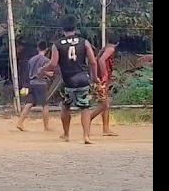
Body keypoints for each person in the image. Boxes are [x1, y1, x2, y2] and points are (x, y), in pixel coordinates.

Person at [39, 15, 99, 144]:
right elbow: (93, 62)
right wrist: (95, 77)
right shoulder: (84, 42)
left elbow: (53, 64)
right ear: (75, 28)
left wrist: (42, 70)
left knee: (66, 107)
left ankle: (66, 134)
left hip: (68, 81)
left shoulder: (57, 44)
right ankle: (86, 136)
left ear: (62, 29)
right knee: (85, 108)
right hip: (83, 78)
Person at [16, 41, 53, 132]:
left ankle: (20, 123)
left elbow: (29, 71)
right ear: (46, 49)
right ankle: (46, 127)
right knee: (45, 105)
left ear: (37, 48)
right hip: (41, 83)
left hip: (31, 83)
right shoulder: (46, 60)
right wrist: (49, 74)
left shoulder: (31, 60)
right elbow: (46, 72)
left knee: (29, 103)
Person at [91, 34, 119, 136]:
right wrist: (105, 74)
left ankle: (106, 129)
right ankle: (89, 118)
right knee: (105, 104)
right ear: (117, 43)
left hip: (100, 79)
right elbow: (101, 60)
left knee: (105, 104)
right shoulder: (111, 49)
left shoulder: (105, 48)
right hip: (103, 80)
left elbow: (95, 60)